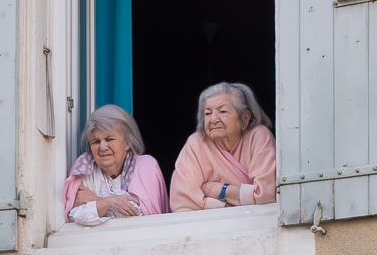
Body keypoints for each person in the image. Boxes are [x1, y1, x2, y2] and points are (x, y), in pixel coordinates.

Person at [170, 82, 276, 212]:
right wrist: (228, 207)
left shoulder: (258, 136)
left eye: (223, 111)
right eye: (208, 113)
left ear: (245, 118)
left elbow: (267, 193)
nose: (213, 119)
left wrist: (221, 190)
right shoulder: (196, 143)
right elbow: (183, 202)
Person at [63, 104, 169, 226]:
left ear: (127, 142)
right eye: (96, 141)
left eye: (110, 139)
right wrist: (110, 203)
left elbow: (142, 215)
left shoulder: (146, 166)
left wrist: (99, 201)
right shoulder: (84, 167)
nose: (103, 147)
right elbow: (75, 216)